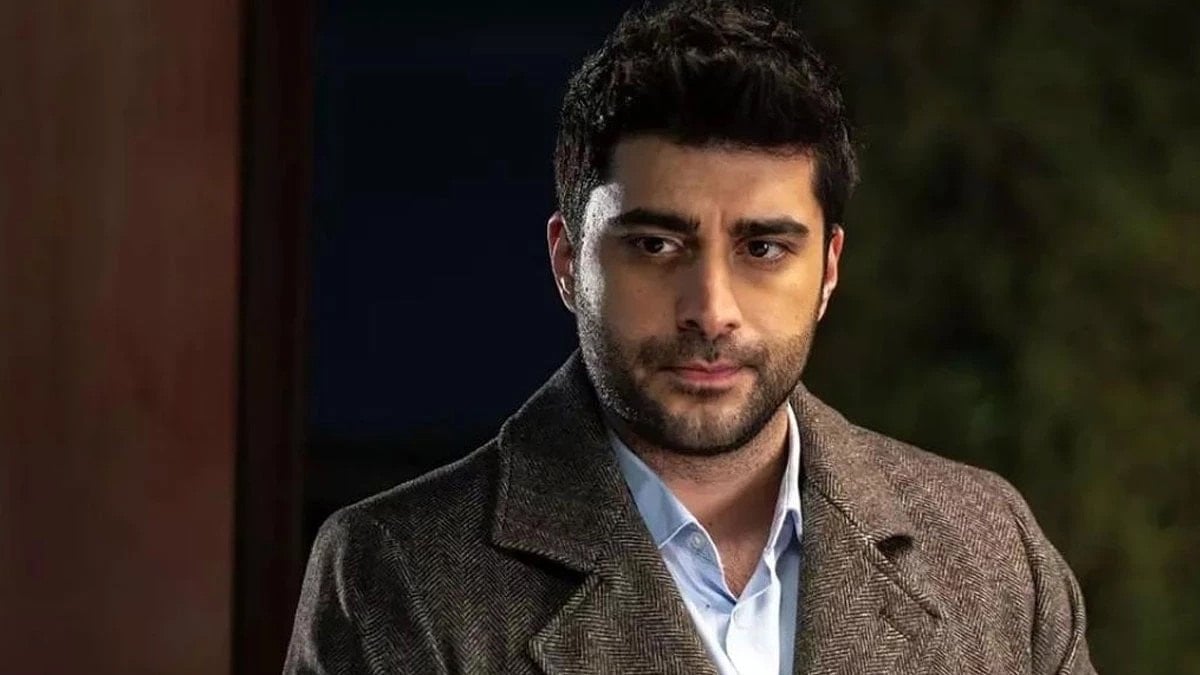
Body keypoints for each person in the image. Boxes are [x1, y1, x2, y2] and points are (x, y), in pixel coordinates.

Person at [284, 1, 1095, 672]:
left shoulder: (992, 552)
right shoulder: (398, 577)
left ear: (828, 270)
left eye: (763, 248)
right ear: (567, 261)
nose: (711, 309)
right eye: (655, 244)